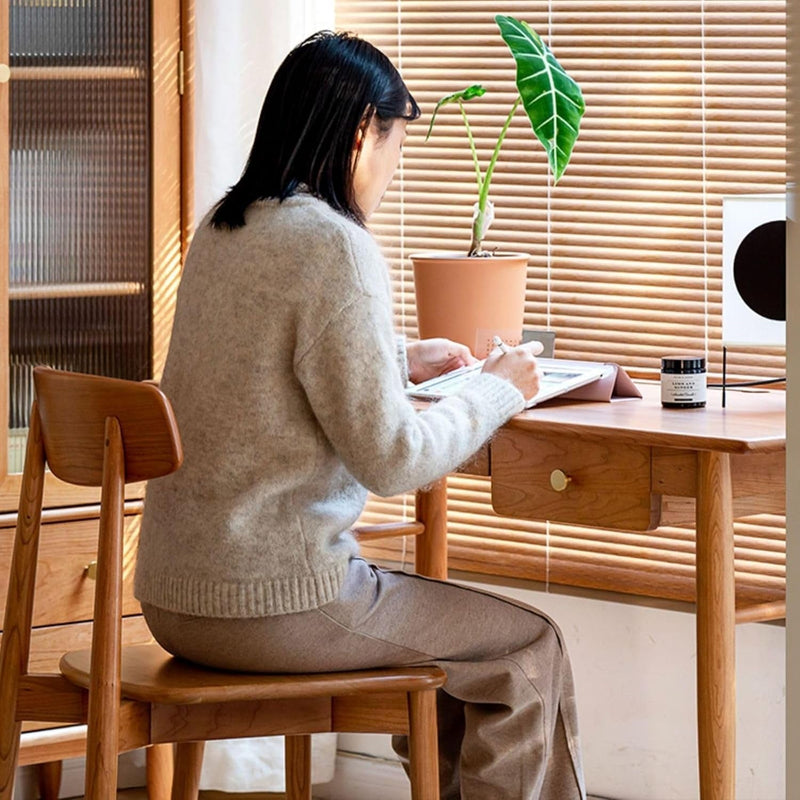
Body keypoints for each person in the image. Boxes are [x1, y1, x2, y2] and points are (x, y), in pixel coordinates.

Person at [135, 30, 585, 800]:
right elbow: (395, 458)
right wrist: (499, 387)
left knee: (458, 664)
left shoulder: (226, 225)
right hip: (276, 603)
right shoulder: (334, 245)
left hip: (174, 599)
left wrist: (394, 355)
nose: (395, 164)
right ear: (357, 136)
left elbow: (255, 365)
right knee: (528, 651)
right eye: (395, 141)